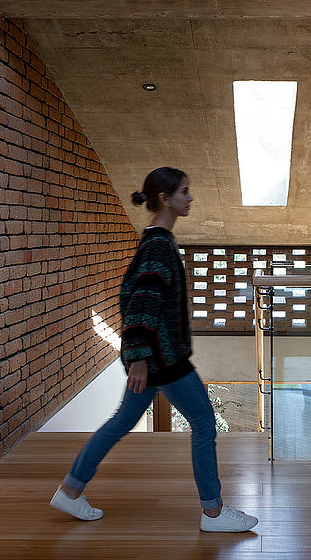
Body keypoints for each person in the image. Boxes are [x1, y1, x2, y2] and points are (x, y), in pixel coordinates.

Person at [50, 167, 259, 533]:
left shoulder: (155, 241)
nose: (190, 198)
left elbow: (137, 298)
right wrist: (143, 359)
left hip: (151, 358)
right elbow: (141, 302)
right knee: (204, 424)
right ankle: (213, 513)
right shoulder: (159, 246)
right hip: (163, 359)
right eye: (184, 192)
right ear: (165, 199)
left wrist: (138, 358)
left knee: (120, 423)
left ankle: (70, 490)